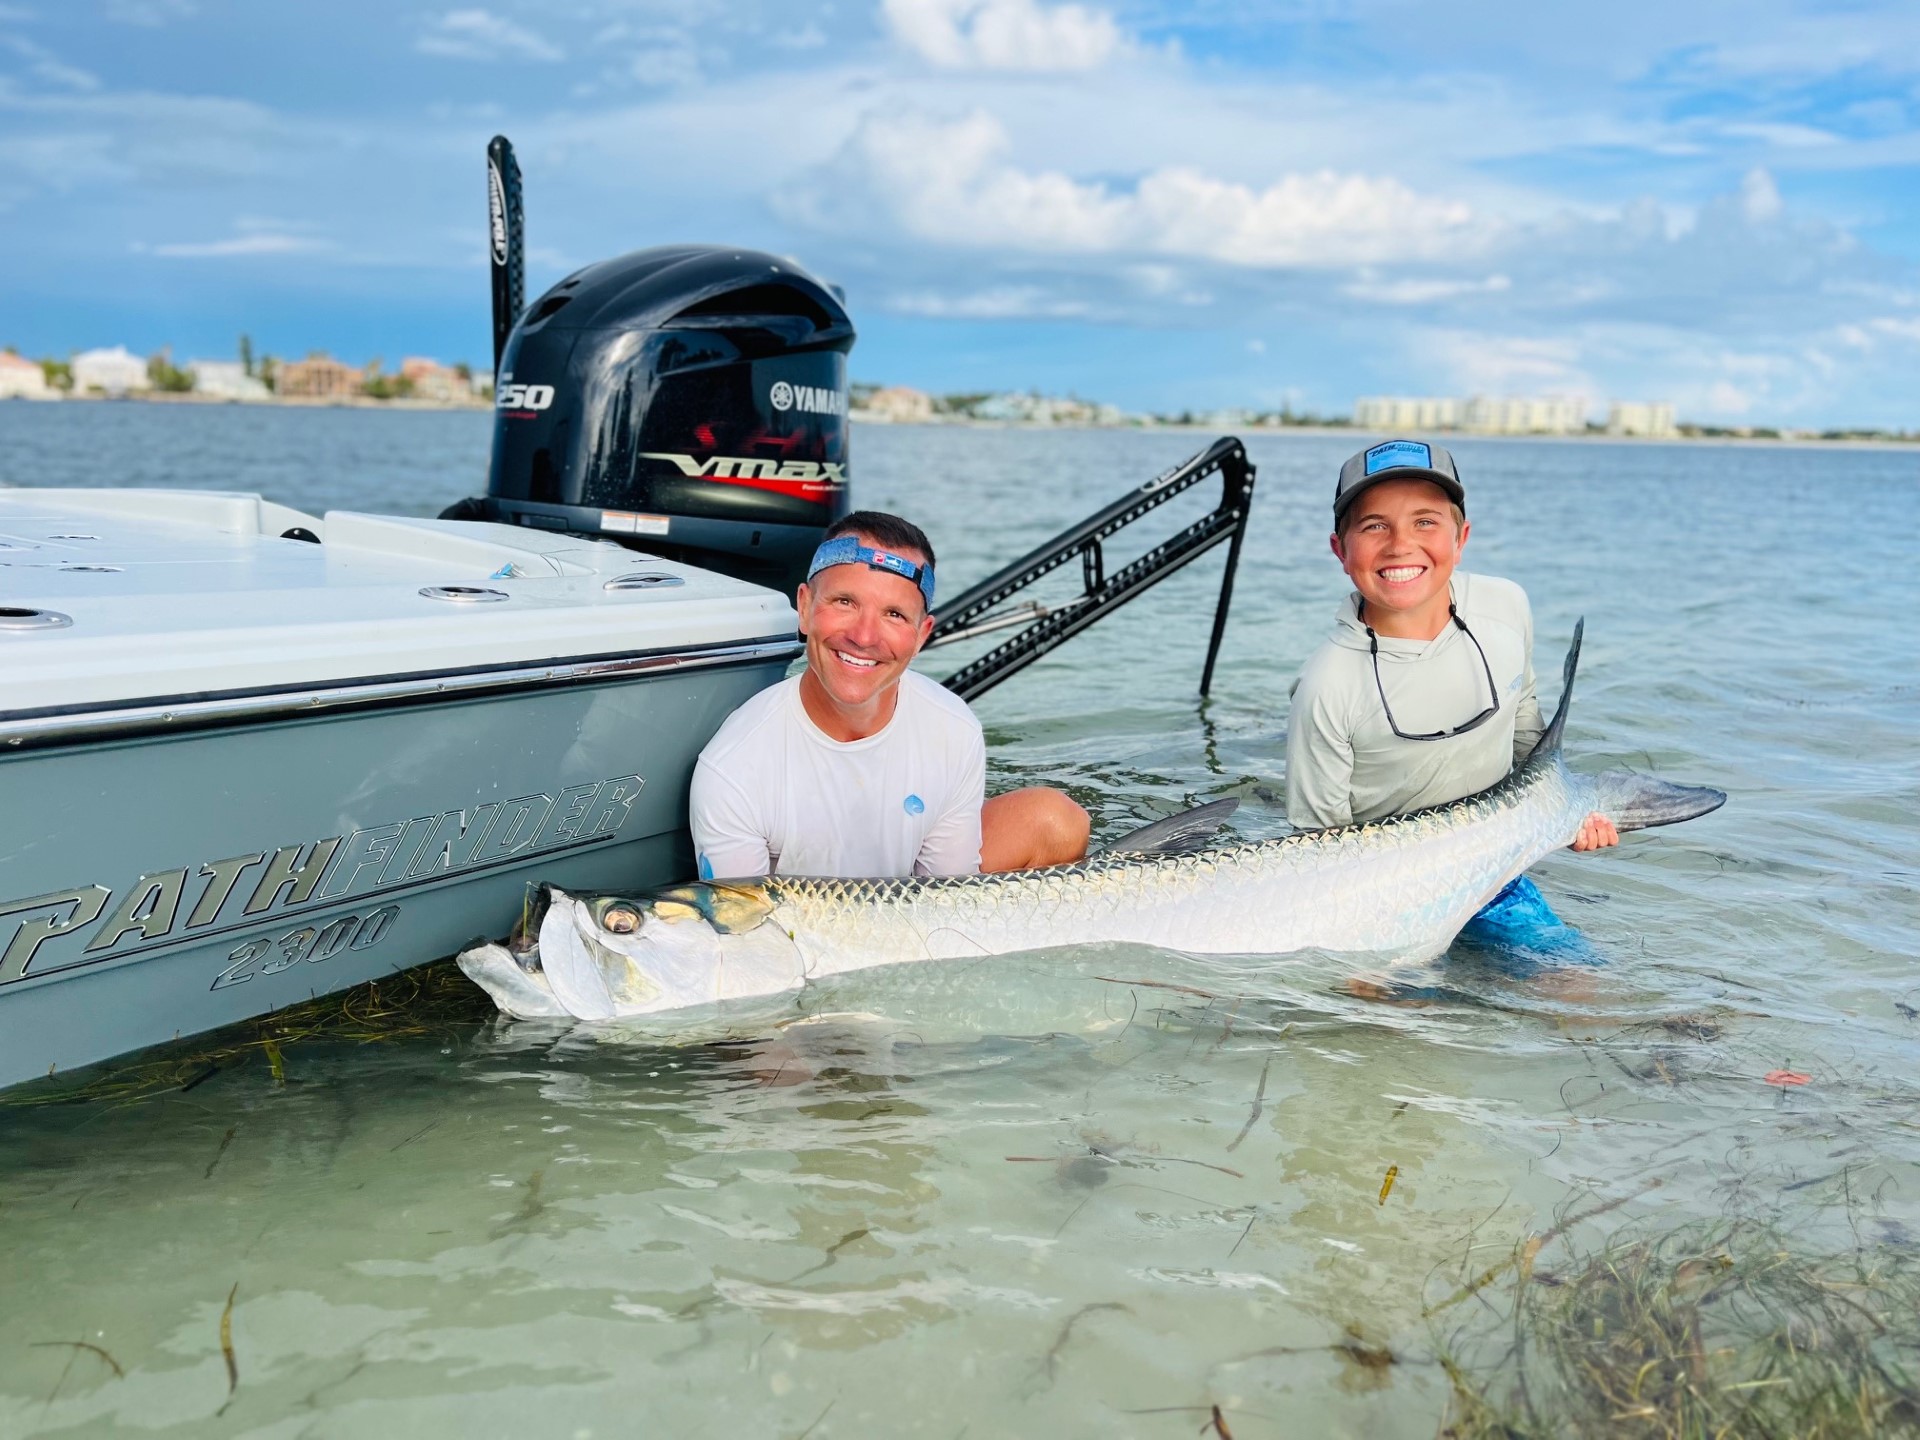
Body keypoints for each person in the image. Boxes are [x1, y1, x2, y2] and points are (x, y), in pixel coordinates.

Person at [690, 510, 1090, 880]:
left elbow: (944, 894)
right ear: (805, 607)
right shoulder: (733, 767)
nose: (864, 637)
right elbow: (742, 930)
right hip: (800, 931)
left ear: (921, 635)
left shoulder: (953, 729)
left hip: (905, 911)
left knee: (1055, 820)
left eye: (894, 615)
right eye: (845, 602)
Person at [1285, 439, 1617, 874]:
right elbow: (1313, 850)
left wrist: (1565, 815)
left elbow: (1526, 729)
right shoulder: (1324, 688)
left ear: (1460, 539)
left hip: (1500, 859)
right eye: (1374, 526)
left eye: (1425, 522)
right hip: (1386, 882)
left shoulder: (1507, 604)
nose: (1400, 545)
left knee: (1567, 946)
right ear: (1340, 551)